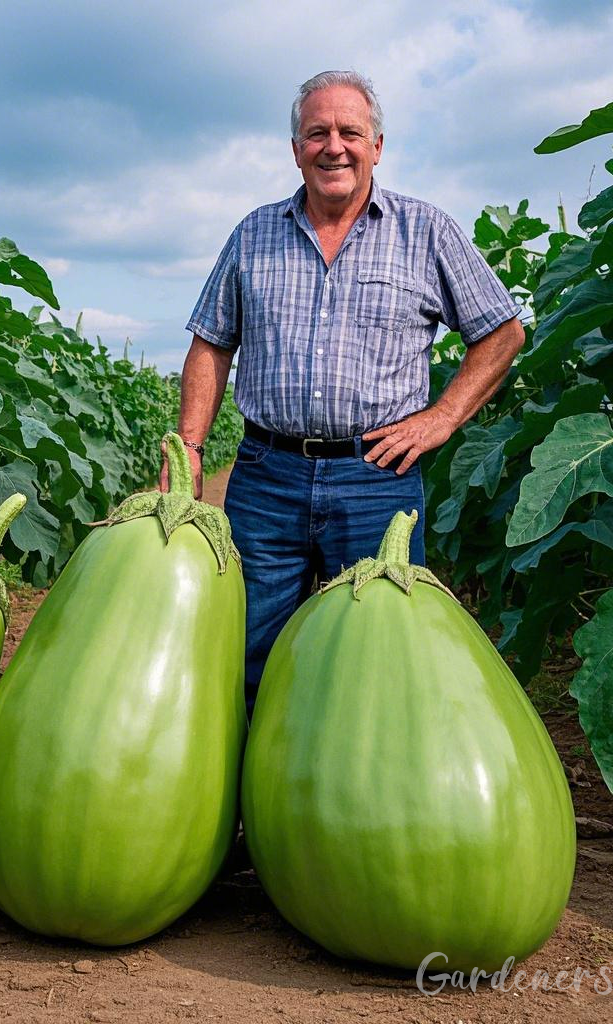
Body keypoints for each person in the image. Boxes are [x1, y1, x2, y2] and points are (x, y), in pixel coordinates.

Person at [161, 70, 525, 717]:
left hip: (377, 475)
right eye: (317, 133)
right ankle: (250, 804)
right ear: (295, 148)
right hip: (267, 474)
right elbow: (211, 344)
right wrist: (190, 445)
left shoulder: (426, 232)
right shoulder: (253, 235)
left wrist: (442, 417)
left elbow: (501, 331)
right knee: (246, 647)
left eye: (350, 132)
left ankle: (360, 802)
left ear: (377, 146)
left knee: (377, 654)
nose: (335, 146)